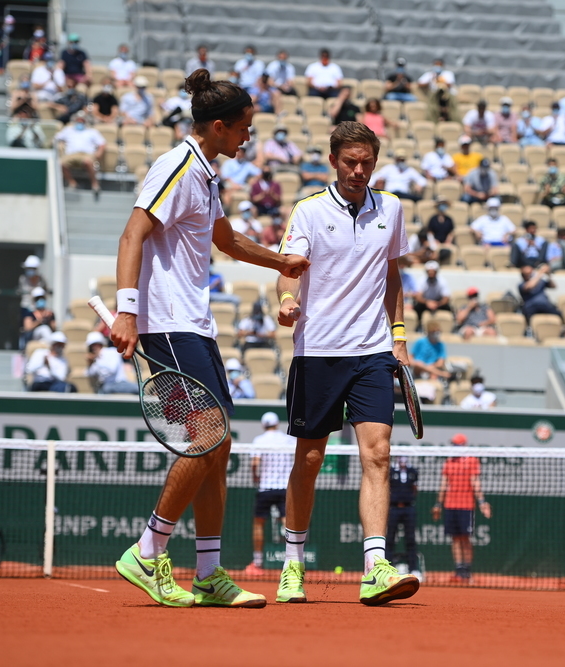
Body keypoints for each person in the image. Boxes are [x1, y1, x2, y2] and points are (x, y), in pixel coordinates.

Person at [107, 71, 309, 609]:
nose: (248, 137)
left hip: (195, 324)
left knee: (219, 448)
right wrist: (126, 311)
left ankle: (208, 574)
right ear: (218, 126)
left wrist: (282, 261)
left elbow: (226, 240)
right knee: (209, 437)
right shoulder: (176, 166)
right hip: (168, 321)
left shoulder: (204, 173)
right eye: (244, 128)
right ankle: (148, 550)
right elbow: (132, 234)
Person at [274, 120, 419, 606]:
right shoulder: (309, 210)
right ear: (334, 160)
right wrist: (288, 300)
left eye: (367, 163)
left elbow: (391, 275)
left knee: (378, 454)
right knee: (310, 460)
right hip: (318, 351)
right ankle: (293, 564)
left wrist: (399, 336)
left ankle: (375, 567)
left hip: (372, 351)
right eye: (351, 162)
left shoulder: (392, 207)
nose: (359, 170)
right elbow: (289, 270)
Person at [432, 433, 491, 582]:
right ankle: (458, 570)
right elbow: (443, 484)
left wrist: (482, 502)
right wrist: (438, 504)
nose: (453, 447)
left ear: (463, 446)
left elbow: (475, 483)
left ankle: (467, 571)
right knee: (455, 539)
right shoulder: (449, 462)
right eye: (453, 444)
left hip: (466, 506)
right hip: (450, 505)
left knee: (465, 539)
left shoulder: (472, 461)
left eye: (456, 444)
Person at [245, 412, 296, 574]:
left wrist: (255, 477)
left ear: (263, 425)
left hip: (265, 488)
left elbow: (255, 463)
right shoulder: (288, 439)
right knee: (288, 523)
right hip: (285, 488)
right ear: (277, 424)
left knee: (258, 524)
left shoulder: (259, 440)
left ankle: (257, 562)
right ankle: (293, 561)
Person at [54, 111, 105, 196]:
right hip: (71, 154)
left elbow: (102, 143)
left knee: (88, 162)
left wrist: (99, 153)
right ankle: (72, 183)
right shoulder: (68, 130)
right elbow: (56, 138)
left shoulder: (92, 131)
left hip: (87, 154)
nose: (80, 122)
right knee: (60, 163)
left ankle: (94, 184)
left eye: (82, 120)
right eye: (78, 120)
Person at [387, 456, 421, 580]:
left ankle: (414, 569)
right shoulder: (391, 471)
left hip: (408, 508)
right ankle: (387, 569)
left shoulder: (413, 472)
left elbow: (415, 489)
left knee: (410, 539)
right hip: (393, 508)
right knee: (390, 539)